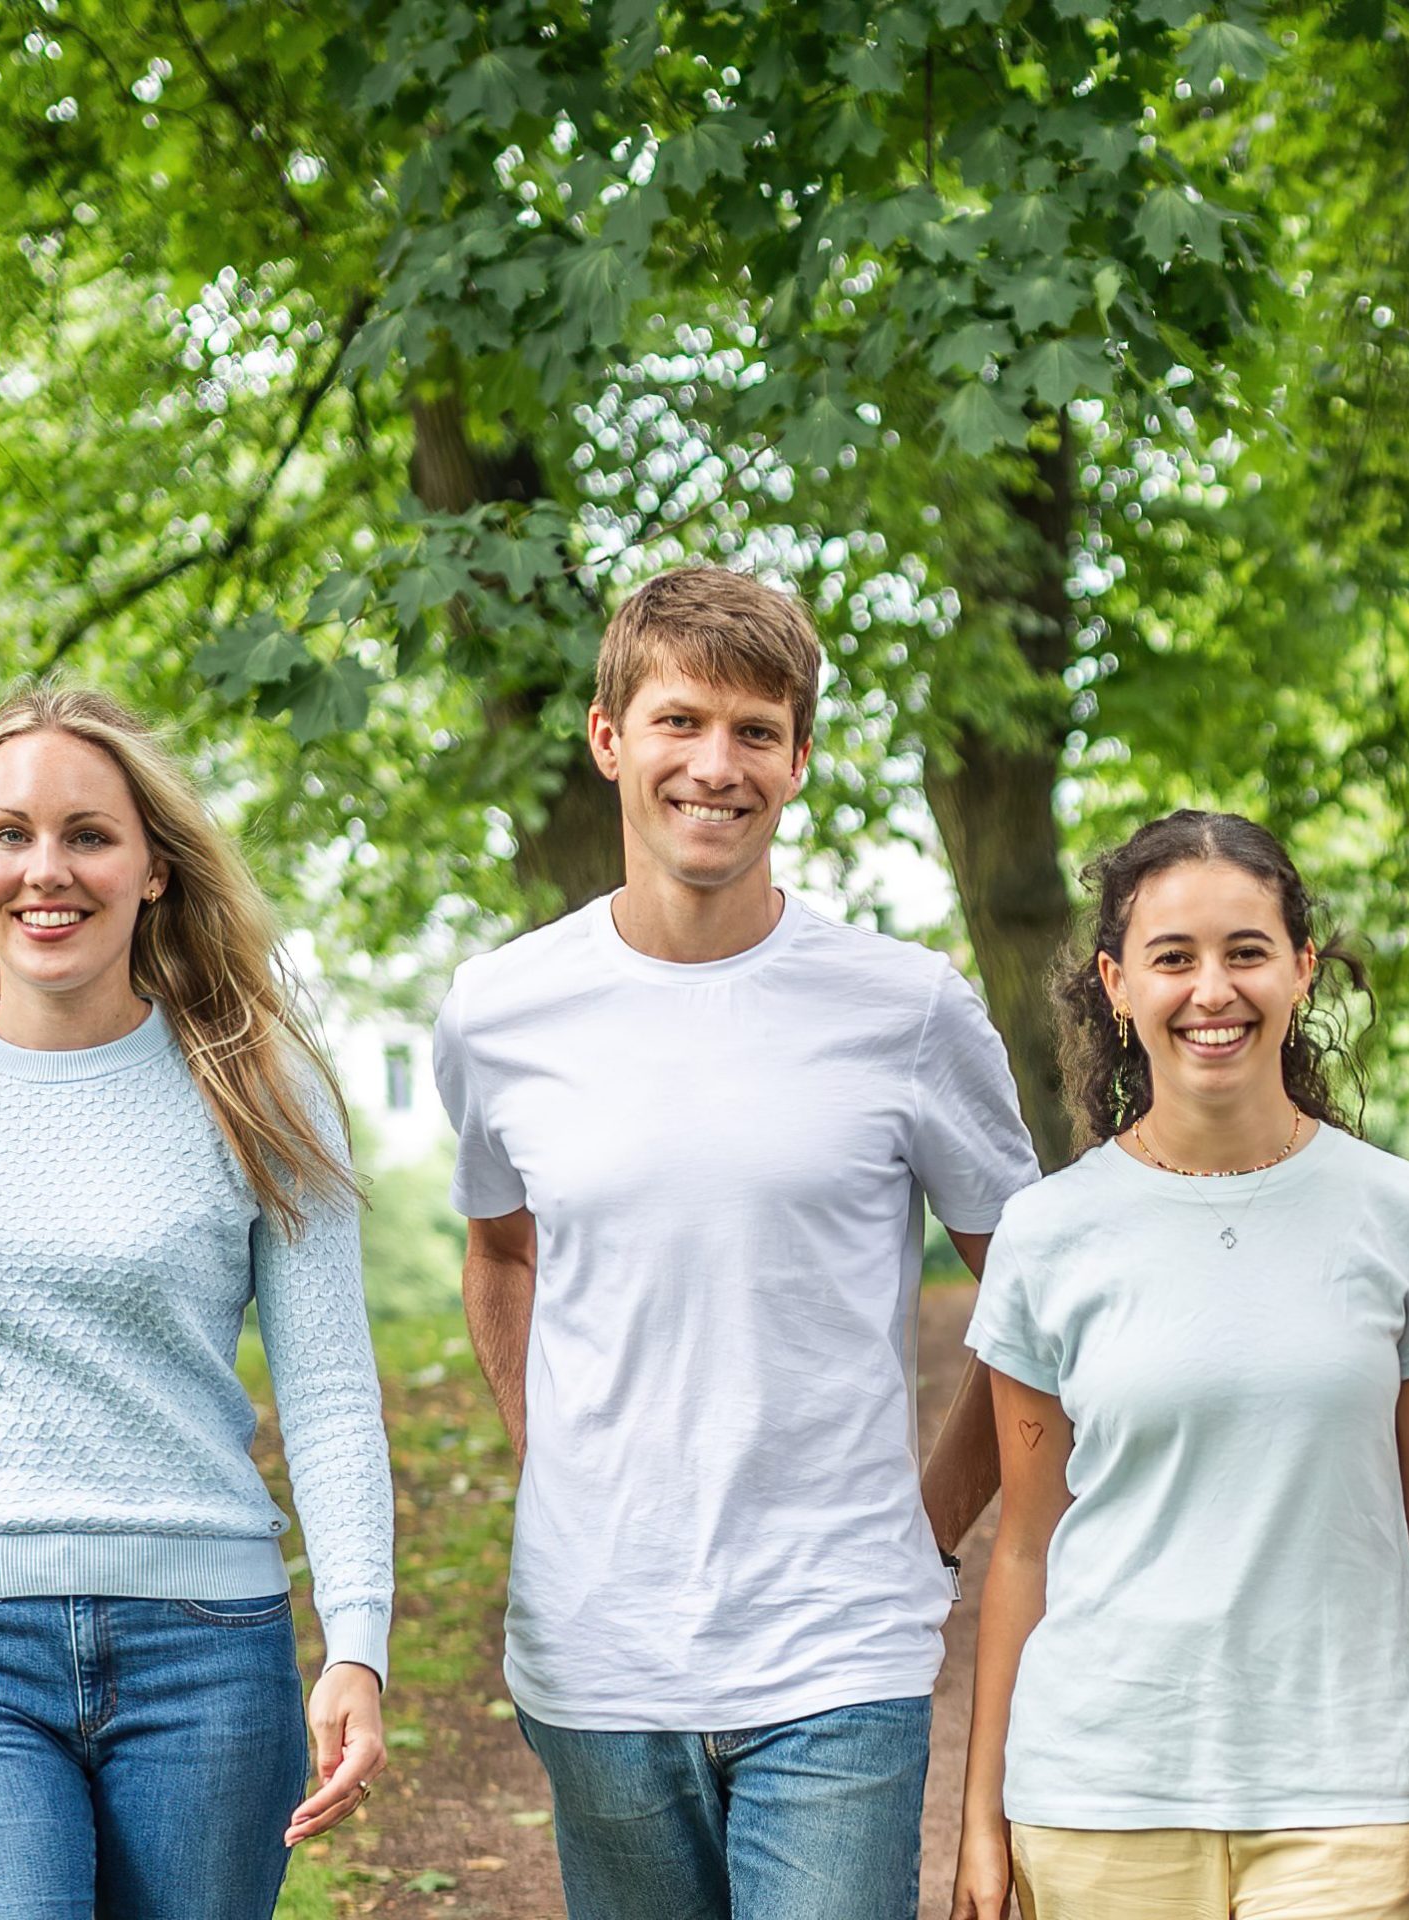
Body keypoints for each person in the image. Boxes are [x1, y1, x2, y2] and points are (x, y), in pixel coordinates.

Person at [432, 564, 1040, 1919]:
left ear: (799, 761)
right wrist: (557, 1463)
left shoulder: (909, 1008)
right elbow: (502, 1256)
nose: (717, 765)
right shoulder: (497, 1010)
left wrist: (928, 1522)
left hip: (838, 1646)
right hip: (598, 1650)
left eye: (756, 732)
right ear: (608, 739)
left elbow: (1034, 1301)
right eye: (680, 722)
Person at [0, 685, 393, 1918]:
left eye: (89, 835)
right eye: (10, 834)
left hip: (207, 1646)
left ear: (154, 867)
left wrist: (357, 1640)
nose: (47, 870)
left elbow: (326, 1392)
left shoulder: (262, 1089)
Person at [952, 810, 1409, 1920]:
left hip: (1357, 1792)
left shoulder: (1402, 1218)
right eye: (1173, 958)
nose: (1213, 990)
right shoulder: (1049, 1233)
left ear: (1300, 969)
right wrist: (979, 1817)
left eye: (1246, 952)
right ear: (1115, 982)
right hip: (1098, 1795)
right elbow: (1025, 1545)